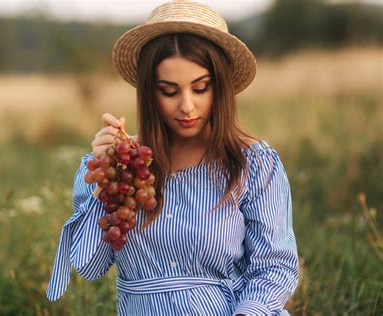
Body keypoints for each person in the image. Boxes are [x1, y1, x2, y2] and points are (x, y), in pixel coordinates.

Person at [46, 1, 299, 315]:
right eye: (169, 90)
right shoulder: (121, 169)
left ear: (220, 87)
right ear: (150, 93)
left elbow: (274, 269)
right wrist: (108, 182)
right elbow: (90, 267)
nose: (187, 107)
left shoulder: (253, 163)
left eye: (201, 87)